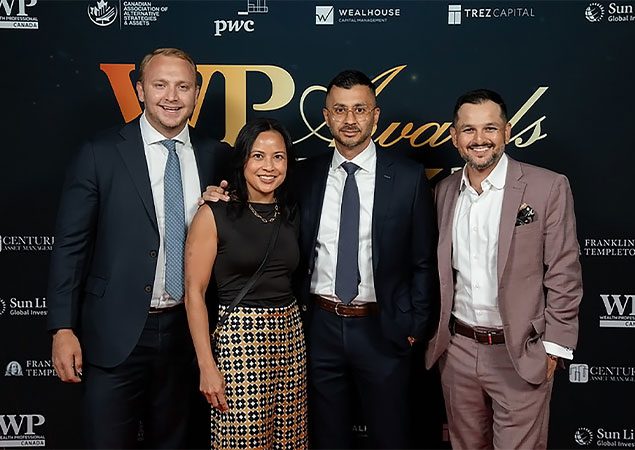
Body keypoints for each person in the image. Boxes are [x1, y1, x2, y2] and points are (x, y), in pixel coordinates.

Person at [47, 47, 230, 448]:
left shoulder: (216, 155)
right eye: (160, 84)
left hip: (189, 332)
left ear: (196, 93)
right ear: (139, 90)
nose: (172, 96)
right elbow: (70, 247)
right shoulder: (100, 152)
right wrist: (62, 327)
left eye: (183, 86)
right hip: (114, 333)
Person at [425, 89, 583, 450]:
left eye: (490, 129)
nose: (479, 140)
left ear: (507, 132)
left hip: (520, 352)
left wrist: (553, 348)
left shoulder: (547, 187)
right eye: (469, 130)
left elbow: (564, 270)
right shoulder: (444, 191)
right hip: (458, 349)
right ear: (454, 136)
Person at [295, 70, 437, 448]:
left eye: (360, 109)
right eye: (340, 110)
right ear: (326, 117)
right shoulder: (304, 174)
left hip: (383, 327)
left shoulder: (407, 176)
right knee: (326, 438)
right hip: (319, 326)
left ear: (376, 115)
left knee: (391, 436)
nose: (350, 120)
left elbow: (423, 260)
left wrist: (414, 325)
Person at [185, 117, 307, 450]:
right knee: (243, 441)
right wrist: (207, 366)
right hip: (240, 338)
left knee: (290, 441)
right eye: (258, 156)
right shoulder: (214, 213)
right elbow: (194, 294)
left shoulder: (291, 211)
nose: (269, 166)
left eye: (278, 157)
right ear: (242, 160)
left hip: (290, 337)